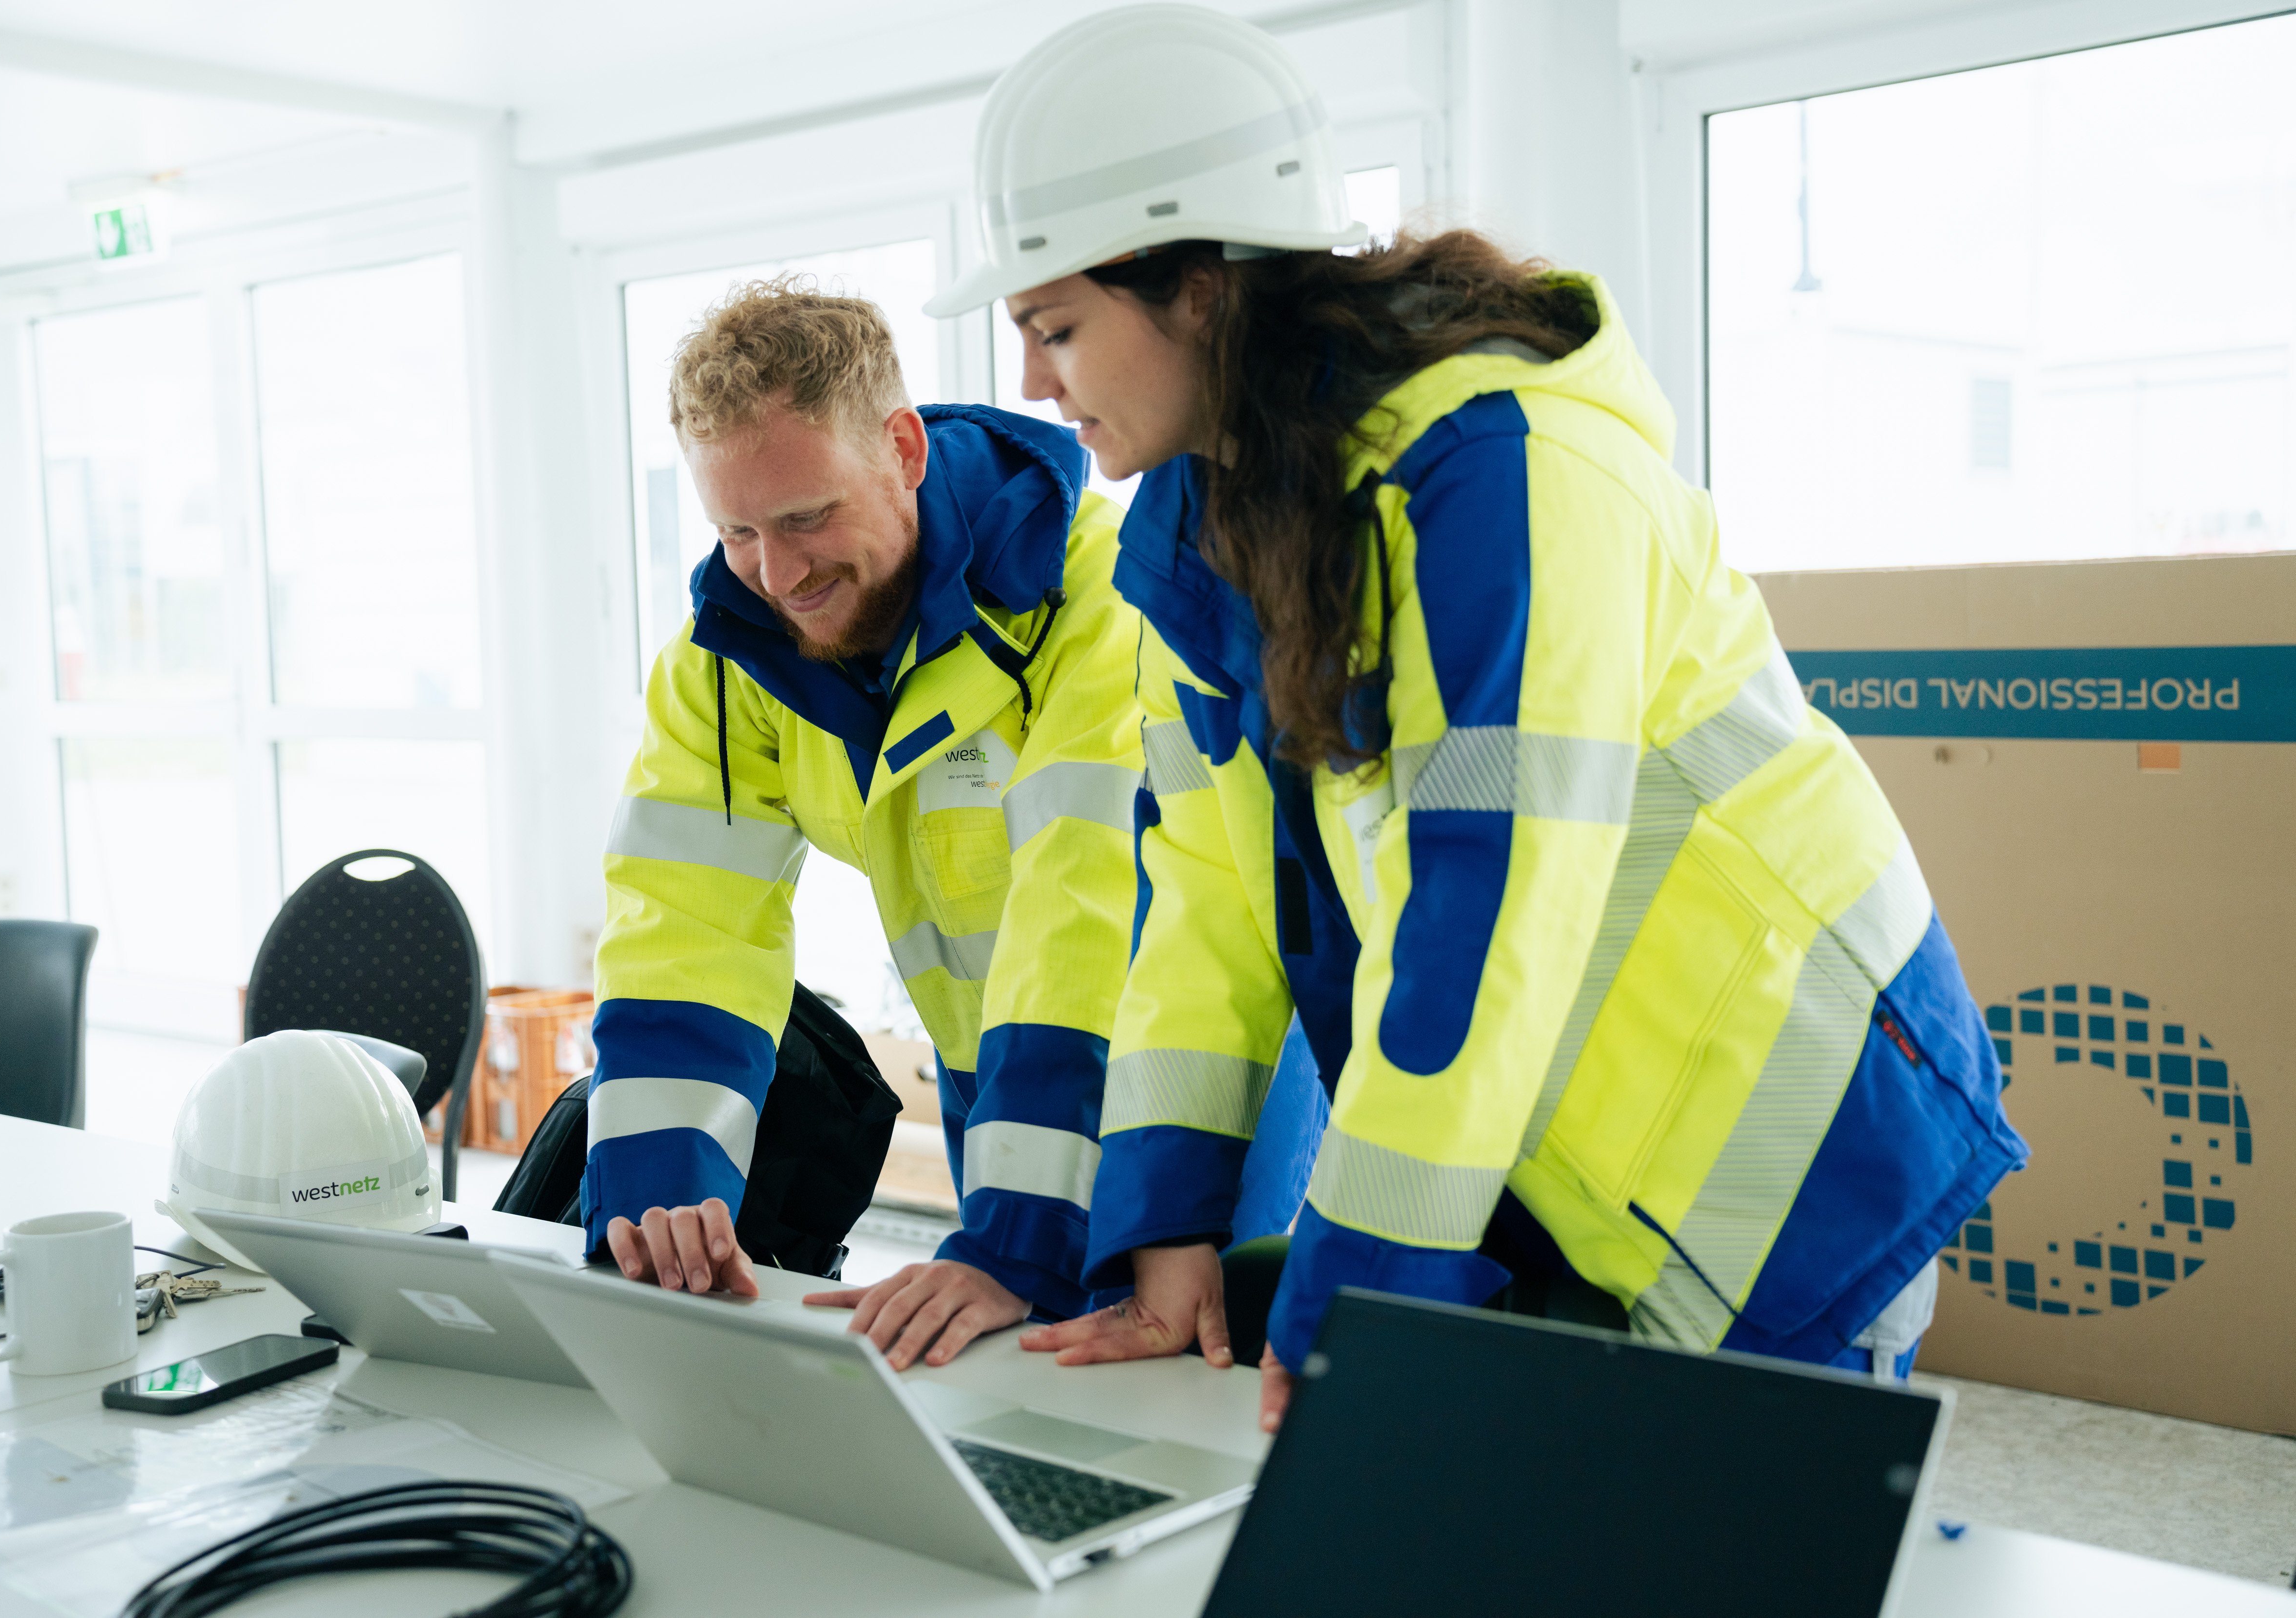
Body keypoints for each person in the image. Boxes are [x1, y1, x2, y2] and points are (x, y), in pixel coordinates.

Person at [924, 3, 2028, 1427]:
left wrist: (1358, 1294)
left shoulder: (1506, 472)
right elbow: (1204, 894)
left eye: (1056, 326)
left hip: (1787, 1158)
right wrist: (1171, 1213)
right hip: (1543, 1163)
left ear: (1199, 286)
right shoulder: (1206, 532)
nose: (1029, 384)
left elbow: (1491, 905)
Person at [583, 279, 1314, 1370]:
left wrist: (1014, 1239)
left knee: (1188, 1387)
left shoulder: (1098, 591)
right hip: (996, 1064)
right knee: (1015, 1374)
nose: (777, 575)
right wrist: (659, 1205)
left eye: (805, 517)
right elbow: (686, 926)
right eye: (735, 528)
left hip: (1186, 1060)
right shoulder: (724, 657)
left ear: (904, 448)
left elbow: (1090, 903)